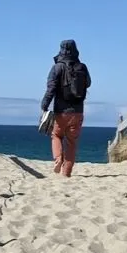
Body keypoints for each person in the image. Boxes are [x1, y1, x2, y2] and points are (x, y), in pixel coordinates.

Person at [40, 39, 91, 177]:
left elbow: (51, 89)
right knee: (71, 143)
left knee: (56, 135)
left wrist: (44, 105)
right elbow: (88, 83)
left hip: (60, 112)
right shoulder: (82, 67)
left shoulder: (57, 67)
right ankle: (66, 173)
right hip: (78, 112)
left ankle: (58, 159)